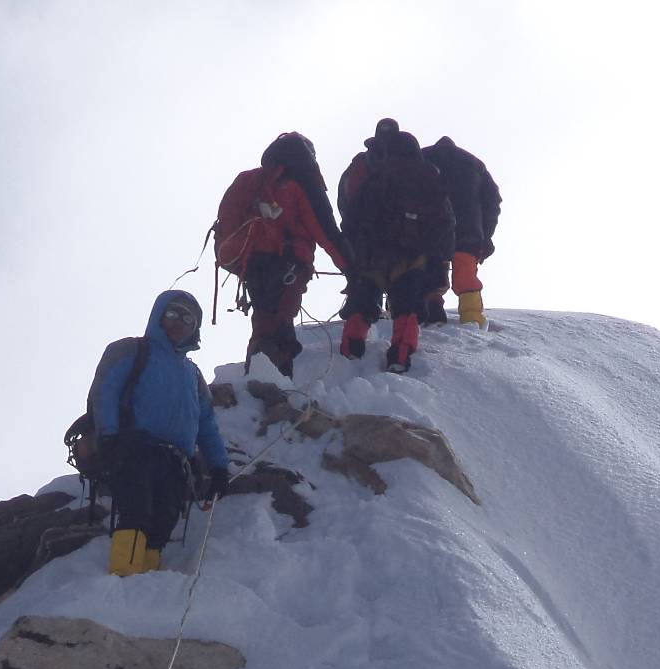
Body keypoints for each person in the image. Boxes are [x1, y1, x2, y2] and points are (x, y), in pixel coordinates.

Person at [87, 290, 231, 575]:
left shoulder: (192, 374)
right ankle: (125, 577)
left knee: (164, 519)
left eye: (188, 319)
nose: (180, 322)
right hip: (133, 447)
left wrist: (219, 467)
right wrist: (109, 436)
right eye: (173, 313)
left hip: (176, 461)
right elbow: (105, 391)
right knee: (136, 510)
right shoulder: (131, 350)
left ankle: (145, 578)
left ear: (194, 329)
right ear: (159, 316)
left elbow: (205, 423)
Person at [215, 133, 348, 378]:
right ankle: (274, 380)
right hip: (287, 262)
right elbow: (325, 231)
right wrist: (353, 270)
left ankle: (257, 375)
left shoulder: (250, 179)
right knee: (279, 319)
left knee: (264, 316)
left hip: (249, 262)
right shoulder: (302, 182)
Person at [337, 123, 454, 373]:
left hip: (374, 253)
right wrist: (436, 256)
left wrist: (354, 252)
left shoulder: (376, 175)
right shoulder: (429, 176)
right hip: (413, 255)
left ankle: (351, 347)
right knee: (408, 305)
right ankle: (400, 355)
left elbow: (352, 217)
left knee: (365, 299)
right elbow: (445, 221)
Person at [420, 136, 501, 328]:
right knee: (465, 275)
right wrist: (485, 235)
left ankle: (432, 312)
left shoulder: (422, 157)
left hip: (431, 230)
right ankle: (472, 319)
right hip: (468, 231)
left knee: (431, 270)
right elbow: (493, 202)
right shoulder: (474, 163)